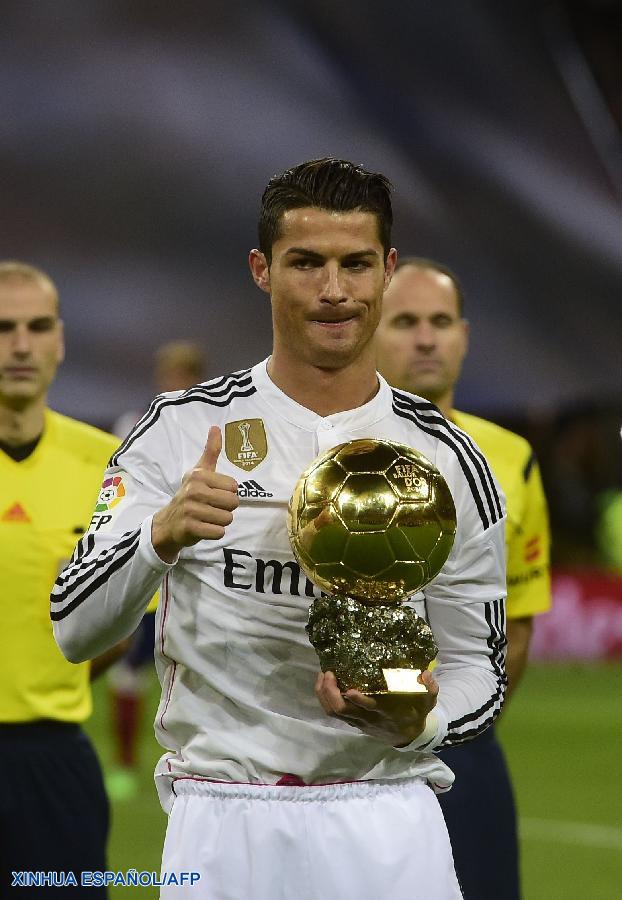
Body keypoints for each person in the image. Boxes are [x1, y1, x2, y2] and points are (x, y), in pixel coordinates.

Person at [52, 159, 507, 900]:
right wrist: (158, 538)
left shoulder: (445, 457)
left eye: (356, 264)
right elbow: (74, 629)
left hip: (387, 818)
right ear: (262, 270)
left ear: (387, 270)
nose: (334, 291)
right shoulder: (182, 429)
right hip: (224, 820)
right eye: (307, 263)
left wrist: (416, 720)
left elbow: (478, 669)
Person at [375, 257, 552, 900]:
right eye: (405, 322)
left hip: (465, 744)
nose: (426, 338)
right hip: (352, 750)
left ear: (464, 336)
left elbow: (520, 624)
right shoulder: (332, 453)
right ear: (370, 330)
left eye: (440, 321)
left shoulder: (509, 457)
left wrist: (457, 720)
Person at [0, 261, 122, 895]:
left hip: (57, 763)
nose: (20, 346)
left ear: (60, 339)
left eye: (37, 327)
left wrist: (55, 679)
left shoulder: (105, 466)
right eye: (3, 328)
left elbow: (119, 624)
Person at [107, 340, 207, 799]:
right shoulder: (135, 427)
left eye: (185, 375)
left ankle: (197, 760)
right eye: (170, 375)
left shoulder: (215, 430)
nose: (176, 384)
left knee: (194, 672)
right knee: (126, 672)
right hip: (142, 576)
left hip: (192, 580)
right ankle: (125, 764)